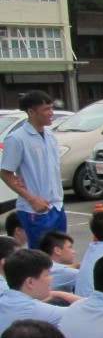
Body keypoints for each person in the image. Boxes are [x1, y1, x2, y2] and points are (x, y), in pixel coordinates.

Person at [0, 90, 67, 249]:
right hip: (34, 211)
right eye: (46, 109)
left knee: (60, 254)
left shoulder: (50, 137)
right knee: (40, 259)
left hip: (57, 206)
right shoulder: (16, 138)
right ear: (31, 112)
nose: (51, 113)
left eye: (52, 108)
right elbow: (6, 173)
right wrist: (31, 198)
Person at [0, 248, 66, 334]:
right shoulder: (31, 308)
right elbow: (83, 311)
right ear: (30, 282)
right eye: (47, 274)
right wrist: (60, 294)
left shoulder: (4, 299)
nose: (51, 278)